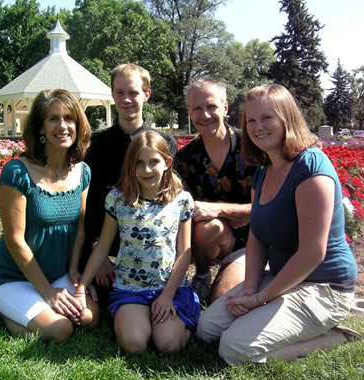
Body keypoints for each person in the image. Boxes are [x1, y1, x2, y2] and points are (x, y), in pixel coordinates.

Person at [196, 84, 357, 365]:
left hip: (324, 287)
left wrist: (259, 300)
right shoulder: (263, 172)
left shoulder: (310, 166)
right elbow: (257, 236)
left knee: (235, 349)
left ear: (287, 118)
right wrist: (250, 288)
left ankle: (333, 337)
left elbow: (312, 253)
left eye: (267, 118)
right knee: (207, 330)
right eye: (251, 121)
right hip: (284, 279)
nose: (258, 127)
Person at [0, 88, 99, 341]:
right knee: (61, 329)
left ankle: (28, 308)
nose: (63, 126)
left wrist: (73, 269)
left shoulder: (83, 171)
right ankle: (1, 308)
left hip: (58, 273)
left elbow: (80, 225)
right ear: (40, 128)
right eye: (53, 119)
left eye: (69, 119)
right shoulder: (17, 172)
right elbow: (15, 240)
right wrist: (48, 292)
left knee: (88, 318)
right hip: (12, 277)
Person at [76, 131, 199, 353]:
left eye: (154, 162)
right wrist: (82, 286)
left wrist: (167, 296)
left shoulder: (182, 201)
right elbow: (103, 246)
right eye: (139, 163)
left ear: (167, 162)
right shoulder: (117, 199)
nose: (146, 170)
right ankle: (135, 319)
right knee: (134, 344)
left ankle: (186, 317)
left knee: (169, 345)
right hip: (130, 288)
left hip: (168, 287)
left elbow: (184, 252)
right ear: (130, 165)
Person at [81, 63, 177, 298]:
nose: (126, 99)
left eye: (133, 92)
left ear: (146, 94)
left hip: (150, 247)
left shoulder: (164, 143)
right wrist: (97, 253)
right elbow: (90, 204)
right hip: (106, 241)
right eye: (119, 92)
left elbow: (169, 203)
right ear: (112, 94)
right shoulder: (96, 145)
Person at [174, 77, 256, 303]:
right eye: (197, 108)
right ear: (189, 112)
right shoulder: (186, 158)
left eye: (211, 106)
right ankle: (202, 274)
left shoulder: (252, 149)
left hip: (255, 243)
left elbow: (266, 209)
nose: (205, 115)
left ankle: (229, 277)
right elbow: (182, 212)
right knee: (205, 225)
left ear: (225, 107)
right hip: (213, 240)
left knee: (221, 301)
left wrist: (219, 209)